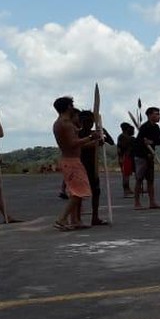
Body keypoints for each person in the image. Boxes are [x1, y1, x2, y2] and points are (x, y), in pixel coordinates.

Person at [52, 97, 100, 230]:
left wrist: (93, 140)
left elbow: (76, 144)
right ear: (68, 107)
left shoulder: (62, 123)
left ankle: (74, 220)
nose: (73, 107)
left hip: (72, 160)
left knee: (77, 192)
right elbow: (72, 143)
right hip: (71, 162)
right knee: (79, 192)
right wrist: (91, 137)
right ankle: (62, 219)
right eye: (71, 105)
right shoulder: (65, 123)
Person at [77, 110, 114, 226]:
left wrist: (104, 131)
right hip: (81, 165)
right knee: (79, 193)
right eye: (87, 121)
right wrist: (95, 142)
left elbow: (111, 142)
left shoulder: (95, 133)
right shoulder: (78, 134)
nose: (90, 124)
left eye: (91, 121)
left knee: (96, 191)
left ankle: (95, 217)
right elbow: (79, 147)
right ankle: (77, 218)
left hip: (93, 166)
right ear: (81, 122)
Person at [132, 106, 160, 210]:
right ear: (150, 115)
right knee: (139, 179)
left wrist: (151, 142)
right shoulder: (144, 127)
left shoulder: (156, 127)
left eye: (159, 114)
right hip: (141, 156)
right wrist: (144, 143)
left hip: (151, 156)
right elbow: (138, 142)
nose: (158, 116)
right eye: (156, 114)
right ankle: (137, 203)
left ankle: (152, 202)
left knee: (150, 180)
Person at [116, 122, 136, 197]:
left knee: (127, 174)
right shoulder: (123, 137)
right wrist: (121, 158)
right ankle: (126, 191)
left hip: (128, 157)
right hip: (125, 157)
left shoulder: (126, 137)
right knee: (126, 175)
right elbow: (120, 148)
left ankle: (128, 189)